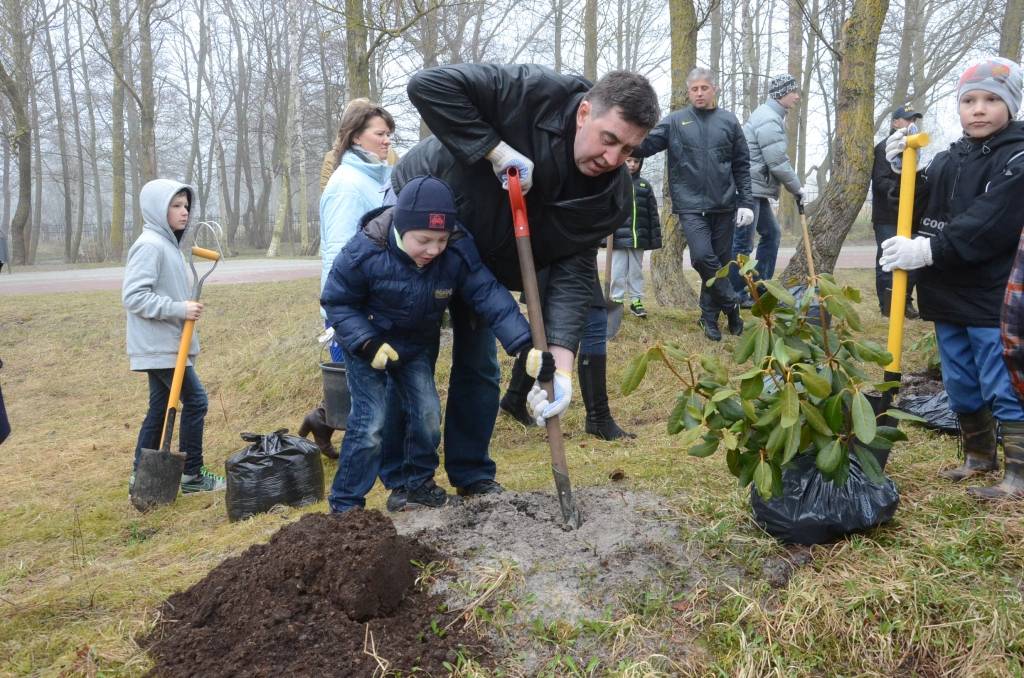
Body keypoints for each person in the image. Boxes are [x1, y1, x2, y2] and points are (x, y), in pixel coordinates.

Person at [387, 63, 659, 502]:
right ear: (585, 112)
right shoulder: (535, 94)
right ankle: (409, 482)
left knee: (479, 361)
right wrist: (496, 151)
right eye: (609, 139)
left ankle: (473, 476)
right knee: (414, 354)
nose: (613, 159)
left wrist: (563, 369)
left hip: (491, 262)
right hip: (433, 221)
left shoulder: (610, 196)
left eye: (627, 149)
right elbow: (428, 85)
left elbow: (572, 275)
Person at [320, 175, 550, 512]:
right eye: (424, 240)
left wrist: (524, 344)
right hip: (368, 346)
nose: (433, 250)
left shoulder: (456, 249)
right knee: (371, 423)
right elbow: (337, 301)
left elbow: (487, 293)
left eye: (441, 239)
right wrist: (367, 343)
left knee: (426, 414)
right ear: (401, 227)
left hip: (414, 345)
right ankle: (346, 503)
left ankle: (415, 486)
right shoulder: (366, 249)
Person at [880, 56, 1024, 500]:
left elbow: (989, 221)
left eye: (991, 100)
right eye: (969, 100)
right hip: (945, 292)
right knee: (960, 380)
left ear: (1011, 107)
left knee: (1001, 380)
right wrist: (903, 173)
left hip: (989, 296)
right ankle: (978, 456)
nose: (978, 109)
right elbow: (920, 203)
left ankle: (1017, 475)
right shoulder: (948, 157)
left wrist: (927, 250)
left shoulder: (1016, 159)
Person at [299, 100, 396, 459]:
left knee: (368, 385)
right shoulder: (346, 185)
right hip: (356, 305)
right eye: (380, 134)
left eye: (389, 134)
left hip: (381, 299)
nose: (387, 141)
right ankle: (357, 478)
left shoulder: (380, 177)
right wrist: (344, 312)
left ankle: (324, 422)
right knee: (365, 392)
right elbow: (340, 253)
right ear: (356, 137)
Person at [633, 67, 751, 341]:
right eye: (694, 89)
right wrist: (621, 133)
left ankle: (708, 319)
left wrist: (745, 202)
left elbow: (742, 164)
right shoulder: (675, 122)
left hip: (724, 205)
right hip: (689, 204)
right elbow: (645, 146)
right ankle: (732, 303)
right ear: (688, 92)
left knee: (720, 263)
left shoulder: (729, 122)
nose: (699, 93)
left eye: (704, 88)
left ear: (714, 89)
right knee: (701, 257)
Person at [122, 180, 224, 494]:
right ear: (157, 208)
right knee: (196, 401)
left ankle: (142, 474)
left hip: (167, 345)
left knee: (158, 407)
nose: (184, 212)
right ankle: (192, 474)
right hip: (160, 346)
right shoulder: (150, 245)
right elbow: (134, 296)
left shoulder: (168, 245)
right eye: (175, 205)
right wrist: (180, 308)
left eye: (186, 206)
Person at [730, 74, 804, 308]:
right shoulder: (769, 119)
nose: (796, 96)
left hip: (757, 189)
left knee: (771, 234)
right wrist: (797, 188)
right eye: (793, 92)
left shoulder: (771, 116)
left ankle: (760, 288)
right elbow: (777, 162)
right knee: (742, 244)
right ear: (782, 93)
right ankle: (734, 295)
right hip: (748, 188)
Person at [871, 105, 921, 318]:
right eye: (907, 120)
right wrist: (903, 191)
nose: (912, 124)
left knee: (912, 259)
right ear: (895, 123)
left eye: (914, 120)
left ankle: (905, 303)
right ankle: (888, 306)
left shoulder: (914, 148)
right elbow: (881, 182)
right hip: (887, 216)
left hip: (910, 214)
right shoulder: (884, 148)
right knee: (888, 260)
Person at [611, 156, 661, 317]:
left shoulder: (644, 185)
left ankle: (636, 301)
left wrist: (654, 238)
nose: (632, 164)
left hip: (638, 238)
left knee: (635, 272)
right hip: (618, 238)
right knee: (617, 270)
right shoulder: (614, 182)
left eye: (636, 161)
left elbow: (652, 215)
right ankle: (616, 300)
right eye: (629, 160)